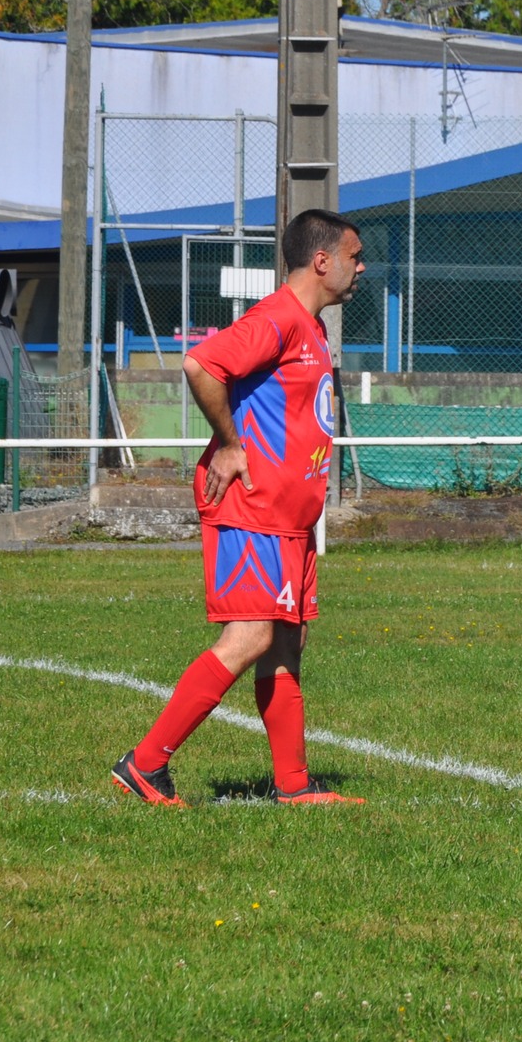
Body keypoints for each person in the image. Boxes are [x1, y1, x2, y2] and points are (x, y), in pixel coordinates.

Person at [110, 209, 366, 807]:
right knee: (251, 636)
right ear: (322, 260)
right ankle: (144, 765)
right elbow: (202, 363)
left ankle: (294, 786)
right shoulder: (278, 317)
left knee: (285, 644)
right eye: (354, 257)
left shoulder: (311, 327)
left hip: (290, 520)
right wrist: (230, 444)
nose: (360, 268)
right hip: (253, 508)